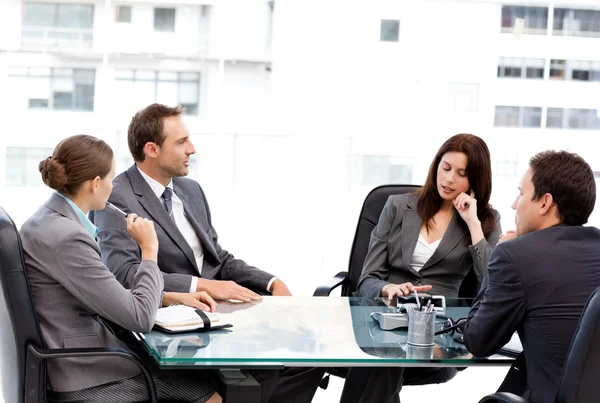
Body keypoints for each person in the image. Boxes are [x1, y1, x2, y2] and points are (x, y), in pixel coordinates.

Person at [92, 104, 323, 403]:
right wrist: (203, 285)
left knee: (310, 355)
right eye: (181, 142)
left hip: (218, 311)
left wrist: (271, 282)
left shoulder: (190, 190)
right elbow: (125, 273)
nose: (192, 149)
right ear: (152, 149)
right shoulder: (117, 196)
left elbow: (218, 259)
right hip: (172, 322)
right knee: (263, 365)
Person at [20, 135, 220, 402]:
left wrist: (168, 298)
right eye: (111, 179)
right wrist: (150, 250)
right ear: (95, 184)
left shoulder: (45, 220)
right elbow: (139, 318)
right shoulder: (68, 237)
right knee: (212, 391)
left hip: (75, 362)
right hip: (88, 375)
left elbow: (101, 292)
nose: (113, 187)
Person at [346, 133, 502, 403]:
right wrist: (388, 289)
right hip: (386, 317)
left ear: (475, 180)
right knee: (386, 356)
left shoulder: (485, 220)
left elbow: (491, 281)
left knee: (382, 359)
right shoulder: (397, 205)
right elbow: (367, 278)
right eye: (446, 167)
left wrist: (473, 224)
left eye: (461, 173)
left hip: (438, 327)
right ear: (436, 165)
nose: (449, 179)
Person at [462, 150, 600, 403]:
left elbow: (476, 341)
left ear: (545, 203)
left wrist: (502, 253)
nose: (515, 204)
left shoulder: (515, 255)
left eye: (522, 193)